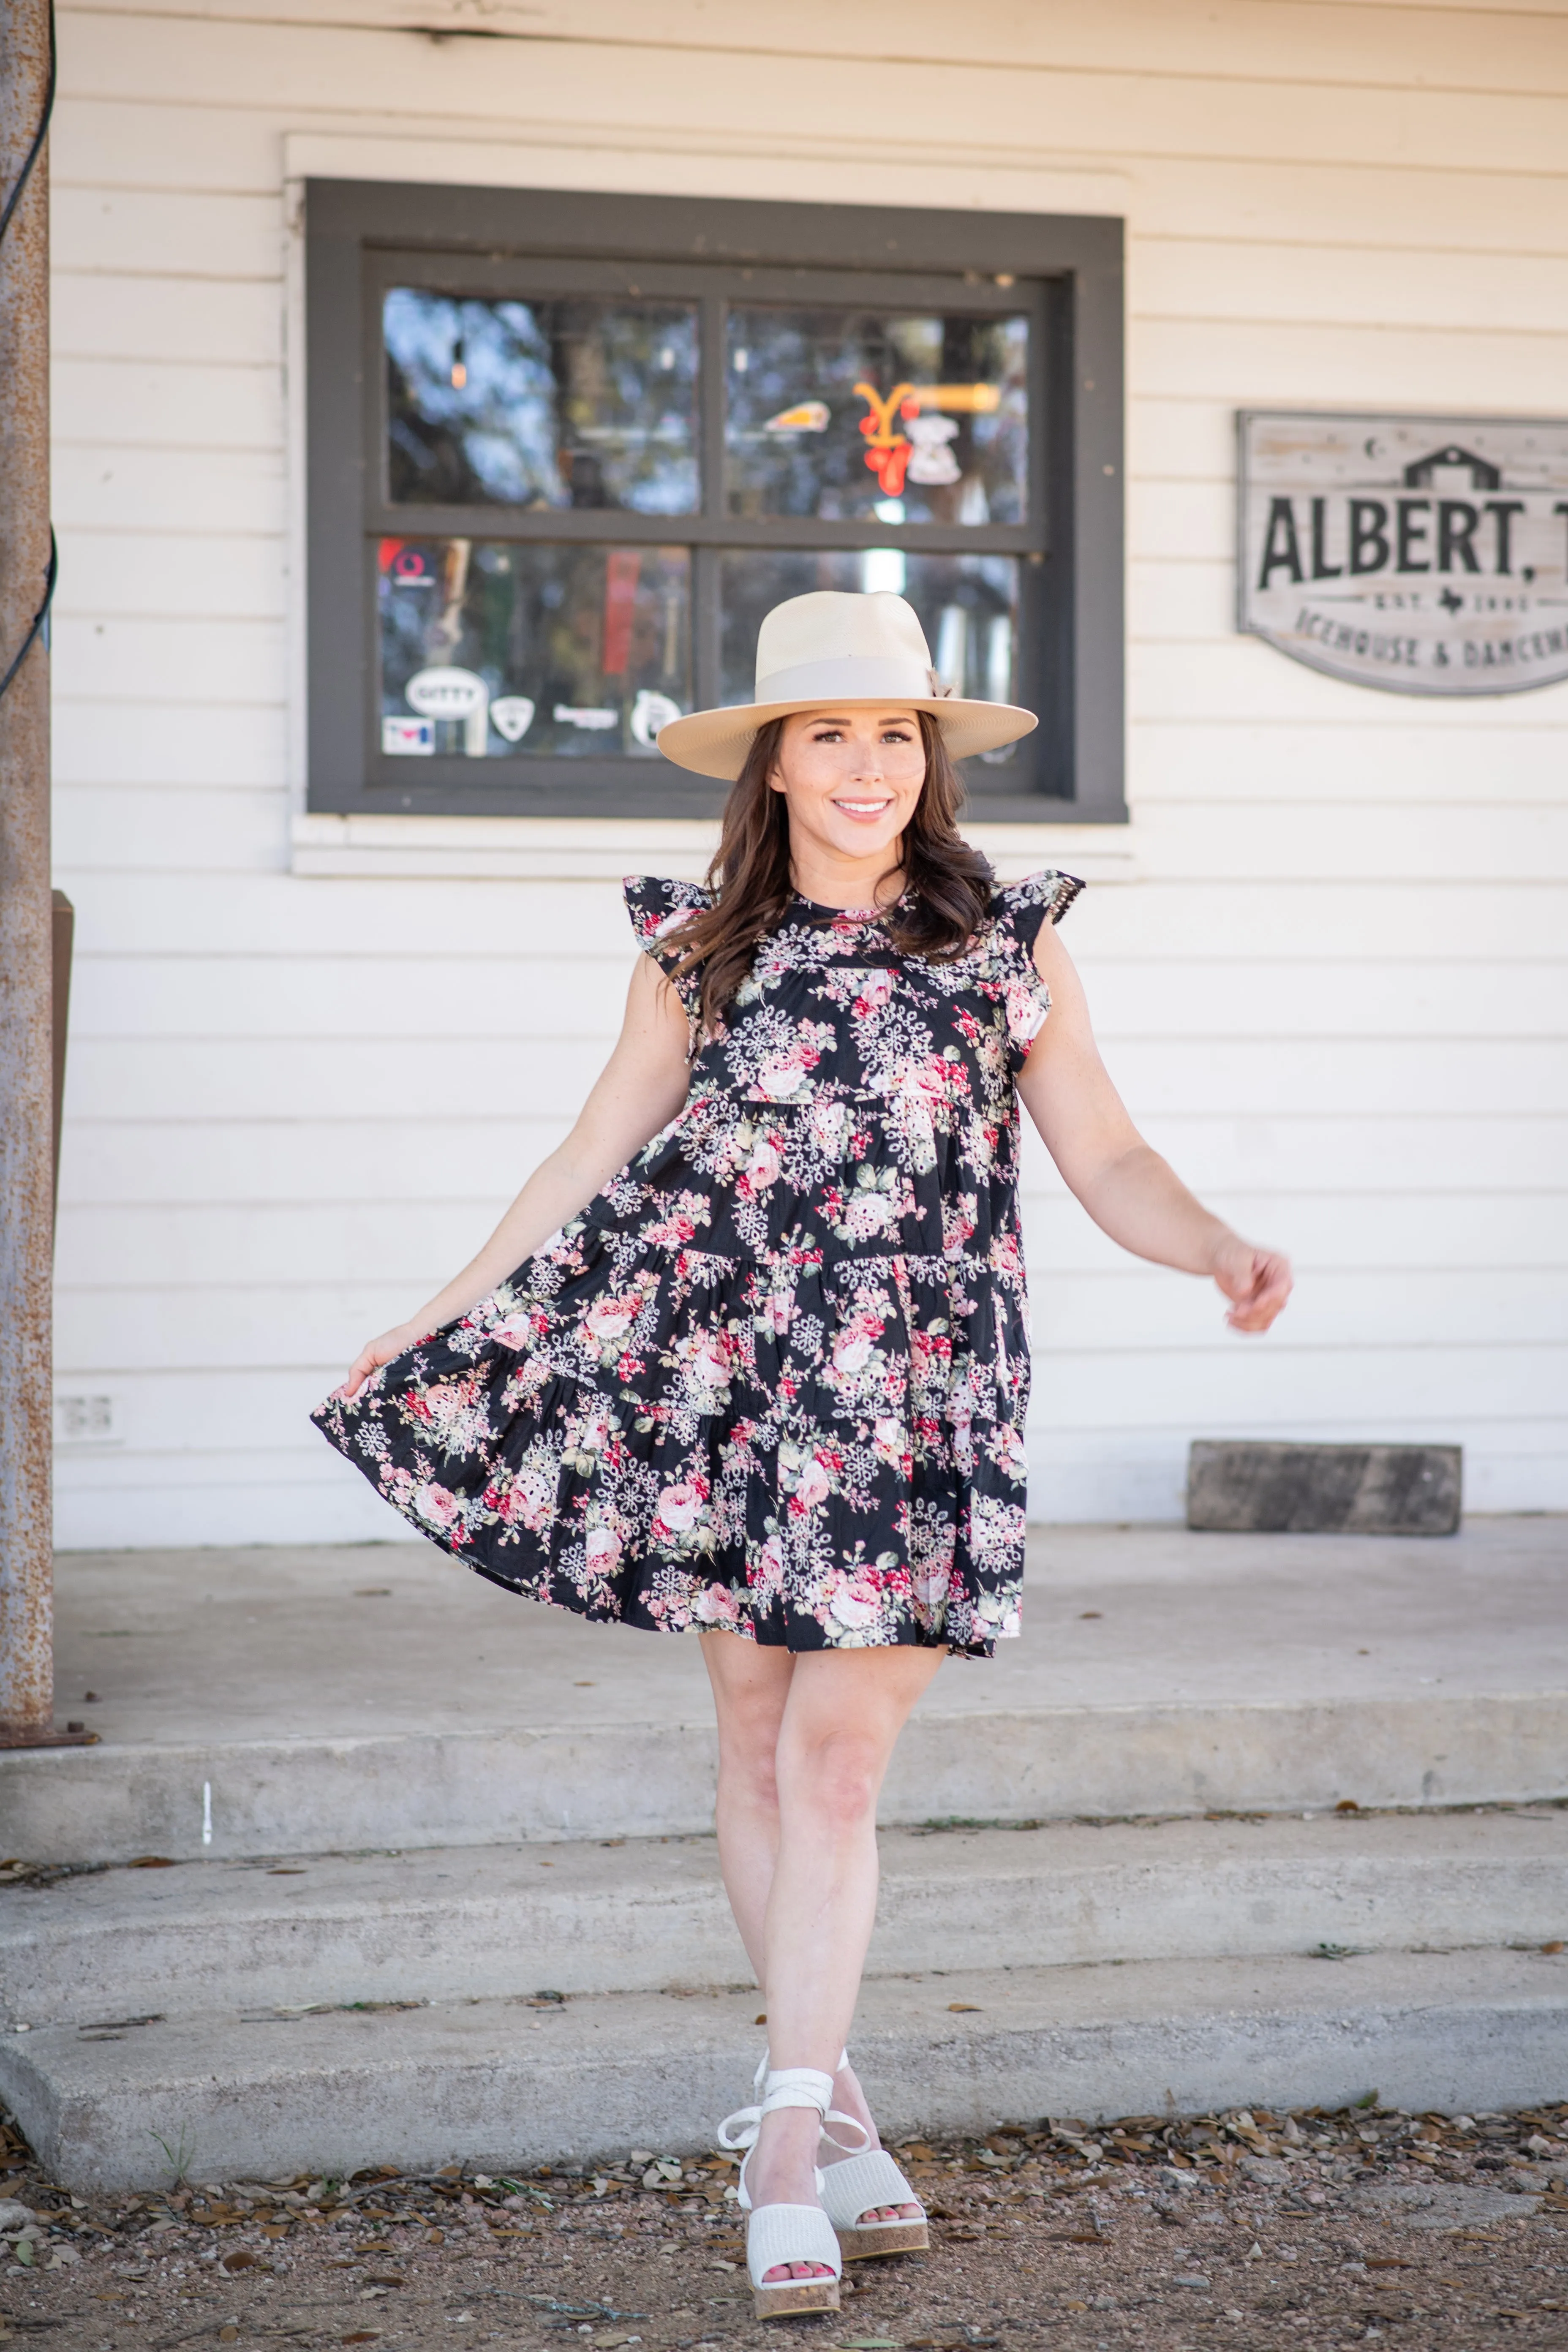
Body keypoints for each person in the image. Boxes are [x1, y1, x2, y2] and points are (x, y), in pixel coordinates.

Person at [313, 591, 1291, 2322]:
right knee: (759, 1743)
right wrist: (436, 1310)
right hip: (731, 1387)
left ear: (930, 760)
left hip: (917, 1391)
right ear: (770, 766)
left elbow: (1112, 1155)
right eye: (828, 735)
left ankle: (778, 2148)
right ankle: (829, 2101)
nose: (866, 766)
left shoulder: (1006, 939)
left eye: (895, 734)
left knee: (840, 1765)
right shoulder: (696, 948)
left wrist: (1212, 1243)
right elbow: (583, 1161)